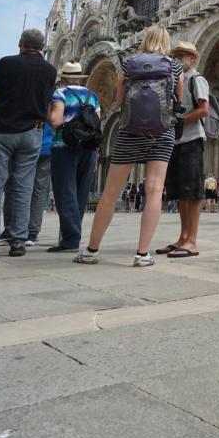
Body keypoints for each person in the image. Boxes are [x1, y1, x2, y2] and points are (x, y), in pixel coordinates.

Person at [79, 26, 184, 266]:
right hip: (162, 133)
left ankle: (92, 250)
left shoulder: (128, 64)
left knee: (109, 193)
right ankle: (142, 253)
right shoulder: (175, 67)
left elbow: (118, 101)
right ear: (166, 42)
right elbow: (178, 103)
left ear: (145, 41)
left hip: (129, 132)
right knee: (155, 190)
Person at [0, 28, 57, 259]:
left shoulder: (6, 63)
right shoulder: (50, 70)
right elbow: (48, 103)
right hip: (32, 133)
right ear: (43, 48)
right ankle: (18, 240)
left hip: (2, 130)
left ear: (20, 44)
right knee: (24, 187)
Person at [154, 41, 210, 258]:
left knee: (193, 192)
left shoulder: (197, 79)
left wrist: (182, 120)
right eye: (176, 56)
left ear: (193, 59)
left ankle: (192, 241)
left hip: (192, 140)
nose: (178, 59)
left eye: (183, 56)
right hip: (176, 141)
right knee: (180, 193)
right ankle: (183, 237)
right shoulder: (177, 80)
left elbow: (204, 109)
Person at [46, 62, 100, 254]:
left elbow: (56, 120)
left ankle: (70, 238)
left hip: (64, 147)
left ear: (64, 78)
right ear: (79, 78)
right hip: (89, 149)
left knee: (64, 191)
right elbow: (97, 125)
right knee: (81, 193)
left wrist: (48, 115)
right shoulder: (92, 96)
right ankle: (73, 234)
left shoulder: (60, 94)